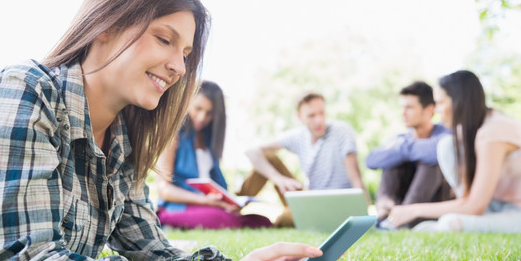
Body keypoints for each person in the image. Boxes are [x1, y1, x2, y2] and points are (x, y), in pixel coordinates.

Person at [0, 0, 335, 261]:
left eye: (185, 53)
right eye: (164, 39)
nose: (179, 68)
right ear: (104, 25)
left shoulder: (123, 138)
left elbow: (151, 250)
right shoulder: (24, 91)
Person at [388, 70, 521, 233]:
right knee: (446, 145)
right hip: (495, 205)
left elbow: (475, 205)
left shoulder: (493, 131)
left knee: (450, 223)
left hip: (520, 212)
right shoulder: (469, 131)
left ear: (458, 102)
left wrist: (413, 210)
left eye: (440, 103)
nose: (436, 110)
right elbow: (470, 200)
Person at [155, 80, 272, 229]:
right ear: (187, 102)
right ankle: (170, 223)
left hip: (208, 207)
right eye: (198, 109)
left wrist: (228, 202)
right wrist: (205, 201)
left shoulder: (209, 140)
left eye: (209, 113)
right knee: (223, 219)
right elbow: (163, 189)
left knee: (262, 221)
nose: (202, 117)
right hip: (176, 208)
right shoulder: (172, 135)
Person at [243, 92, 370, 227]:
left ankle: (282, 218)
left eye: (322, 113)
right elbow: (251, 151)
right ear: (300, 117)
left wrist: (365, 215)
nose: (319, 120)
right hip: (311, 198)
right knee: (267, 157)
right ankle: (234, 205)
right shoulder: (298, 136)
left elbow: (356, 179)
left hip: (336, 204)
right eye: (311, 116)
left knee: (284, 219)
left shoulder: (341, 131)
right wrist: (277, 178)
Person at [365, 81, 451, 224]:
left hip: (435, 203)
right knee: (391, 161)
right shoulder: (401, 138)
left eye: (409, 107)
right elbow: (371, 160)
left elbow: (433, 152)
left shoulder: (444, 134)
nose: (403, 113)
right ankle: (383, 213)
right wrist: (403, 150)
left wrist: (402, 148)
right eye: (402, 107)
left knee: (430, 160)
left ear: (429, 110)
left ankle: (405, 217)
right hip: (399, 201)